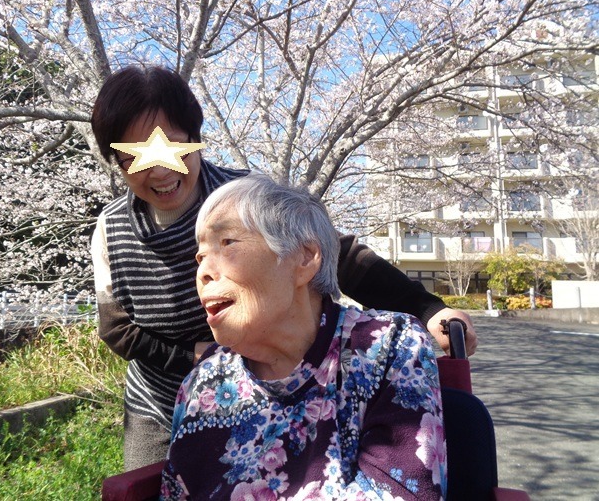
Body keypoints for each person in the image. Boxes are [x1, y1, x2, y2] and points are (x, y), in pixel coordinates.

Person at [90, 65, 472, 470]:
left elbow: (336, 254)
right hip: (159, 400)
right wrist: (190, 355)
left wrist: (426, 308)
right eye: (134, 156)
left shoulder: (246, 199)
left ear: (194, 139)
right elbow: (117, 329)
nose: (158, 170)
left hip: (264, 389)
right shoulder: (111, 230)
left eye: (172, 146)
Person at [160, 175, 446, 500]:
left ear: (305, 258)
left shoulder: (388, 346)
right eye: (200, 257)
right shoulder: (204, 381)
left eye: (227, 243)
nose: (203, 272)